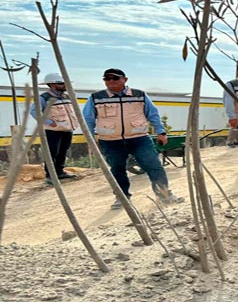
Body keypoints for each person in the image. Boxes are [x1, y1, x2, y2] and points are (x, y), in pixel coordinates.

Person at [82, 68, 184, 209]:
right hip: (111, 141)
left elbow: (152, 113)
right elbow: (88, 119)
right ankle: (122, 198)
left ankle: (165, 194)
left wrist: (161, 131)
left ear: (125, 79)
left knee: (154, 167)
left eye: (115, 78)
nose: (111, 81)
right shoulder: (96, 97)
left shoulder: (139, 95)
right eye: (107, 79)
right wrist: (90, 138)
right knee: (117, 170)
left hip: (139, 139)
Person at [30, 73, 78, 184]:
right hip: (53, 131)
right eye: (61, 83)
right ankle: (50, 175)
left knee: (63, 150)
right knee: (52, 152)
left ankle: (60, 172)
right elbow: (34, 111)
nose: (64, 85)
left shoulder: (66, 96)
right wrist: (48, 122)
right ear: (52, 85)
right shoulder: (44, 98)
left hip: (67, 128)